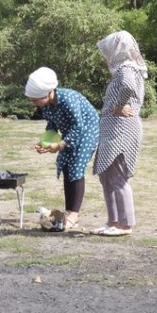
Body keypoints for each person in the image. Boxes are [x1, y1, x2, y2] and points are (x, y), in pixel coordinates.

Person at [25, 67, 99, 232]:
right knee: (66, 167)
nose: (33, 103)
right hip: (70, 132)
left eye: (35, 100)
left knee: (76, 167)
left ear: (48, 92)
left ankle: (74, 215)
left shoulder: (67, 99)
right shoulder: (46, 105)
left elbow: (78, 126)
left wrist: (60, 145)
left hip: (87, 131)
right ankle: (69, 211)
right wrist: (45, 142)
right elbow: (52, 124)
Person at [91, 31, 148, 237]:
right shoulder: (124, 69)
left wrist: (119, 105)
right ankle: (113, 221)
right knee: (107, 176)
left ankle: (125, 225)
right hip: (112, 129)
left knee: (118, 176)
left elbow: (129, 86)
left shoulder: (127, 68)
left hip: (122, 128)